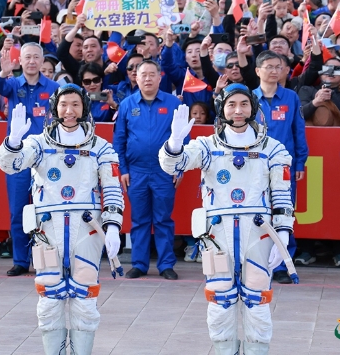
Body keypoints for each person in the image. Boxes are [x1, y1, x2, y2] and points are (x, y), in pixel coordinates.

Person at [159, 84, 296, 355]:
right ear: (222, 109)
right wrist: (174, 142)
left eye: (244, 104)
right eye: (231, 104)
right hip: (217, 237)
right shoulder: (207, 146)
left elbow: (282, 194)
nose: (238, 110)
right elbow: (173, 165)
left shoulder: (273, 148)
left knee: (257, 301)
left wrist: (283, 233)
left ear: (253, 108)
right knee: (220, 300)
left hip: (257, 234)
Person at [0, 85, 124, 354]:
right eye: (64, 104)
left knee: (85, 300)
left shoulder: (100, 147)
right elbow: (10, 165)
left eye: (75, 104)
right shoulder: (38, 143)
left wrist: (113, 226)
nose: (69, 111)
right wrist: (14, 141)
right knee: (49, 300)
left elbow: (112, 188)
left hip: (87, 231)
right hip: (47, 232)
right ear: (55, 108)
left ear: (84, 108)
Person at [0, 43, 60, 276]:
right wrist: (2, 73)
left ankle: (49, 258)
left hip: (46, 158)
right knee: (18, 211)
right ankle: (21, 260)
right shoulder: (12, 85)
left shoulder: (54, 88)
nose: (31, 61)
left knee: (47, 211)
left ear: (42, 61)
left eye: (36, 57)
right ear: (20, 61)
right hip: (18, 158)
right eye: (27, 57)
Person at [112, 60, 183, 280]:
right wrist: (123, 170)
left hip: (165, 171)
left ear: (160, 78)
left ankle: (166, 265)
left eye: (152, 74)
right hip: (136, 171)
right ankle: (139, 264)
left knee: (163, 219)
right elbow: (119, 140)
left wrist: (179, 168)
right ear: (136, 77)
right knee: (139, 219)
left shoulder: (173, 103)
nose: (148, 78)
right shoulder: (127, 104)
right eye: (143, 74)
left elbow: (183, 138)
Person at [253, 51, 308, 284]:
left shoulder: (291, 98)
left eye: (278, 67)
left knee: (283, 215)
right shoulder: (248, 98)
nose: (274, 71)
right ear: (258, 71)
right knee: (255, 214)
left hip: (284, 167)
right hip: (254, 166)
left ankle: (283, 265)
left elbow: (298, 131)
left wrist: (300, 161)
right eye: (269, 66)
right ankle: (257, 263)